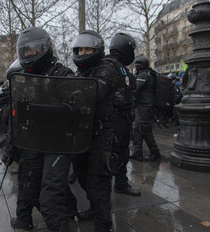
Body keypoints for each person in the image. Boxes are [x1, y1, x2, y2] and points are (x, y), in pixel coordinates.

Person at [10, 27, 77, 232]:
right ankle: (69, 211)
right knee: (29, 187)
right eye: (26, 51)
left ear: (45, 47)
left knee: (49, 198)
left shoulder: (63, 73)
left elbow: (77, 105)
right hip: (32, 141)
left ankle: (64, 219)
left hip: (57, 143)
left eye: (35, 49)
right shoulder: (21, 77)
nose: (30, 54)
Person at [72, 30, 118, 232]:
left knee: (98, 183)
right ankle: (93, 207)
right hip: (82, 134)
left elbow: (96, 91)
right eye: (80, 49)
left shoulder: (106, 68)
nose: (82, 53)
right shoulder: (80, 72)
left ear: (97, 50)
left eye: (87, 49)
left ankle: (103, 224)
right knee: (82, 176)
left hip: (101, 134)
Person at [106, 33, 141, 196]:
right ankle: (111, 189)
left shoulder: (115, 66)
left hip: (122, 119)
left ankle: (120, 184)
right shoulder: (110, 66)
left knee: (120, 153)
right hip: (113, 120)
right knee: (112, 155)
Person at [130, 56, 161, 161]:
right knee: (137, 129)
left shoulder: (143, 75)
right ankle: (137, 152)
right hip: (144, 105)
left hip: (144, 106)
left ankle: (154, 152)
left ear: (139, 66)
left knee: (144, 129)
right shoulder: (149, 73)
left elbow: (135, 89)